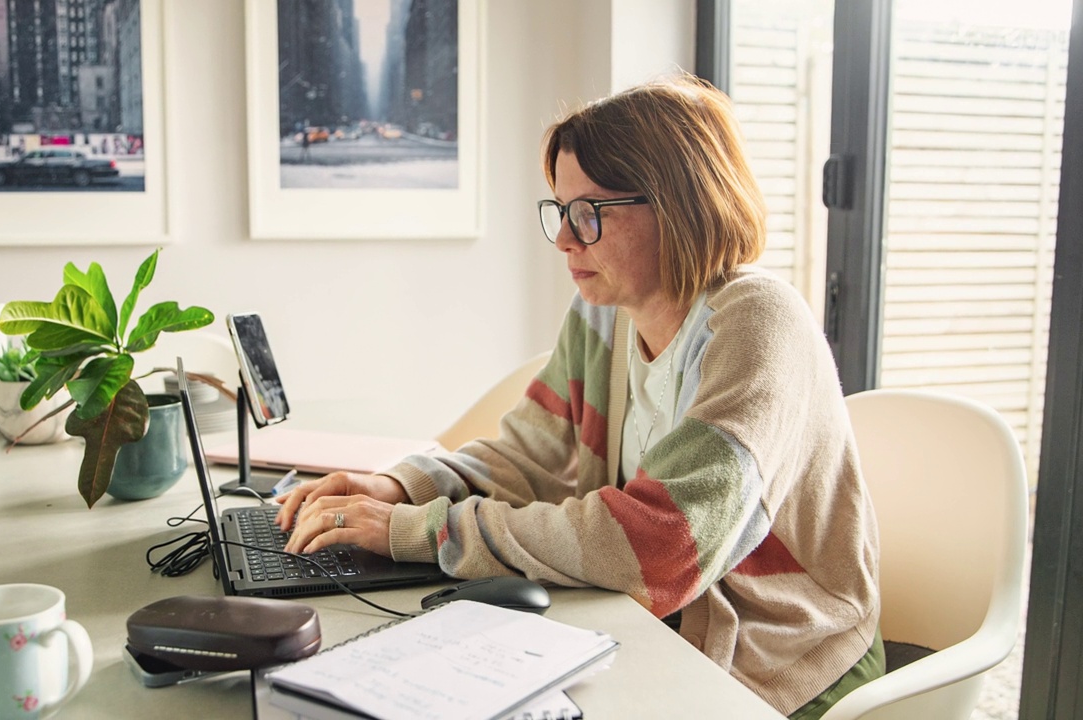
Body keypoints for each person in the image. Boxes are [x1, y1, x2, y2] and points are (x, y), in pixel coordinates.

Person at [276, 74, 882, 718]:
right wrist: (399, 490)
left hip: (783, 651)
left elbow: (660, 546)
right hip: (653, 622)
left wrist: (418, 533)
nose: (566, 239)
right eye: (560, 211)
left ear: (681, 204)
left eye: (591, 213)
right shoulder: (603, 313)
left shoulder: (759, 323)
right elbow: (528, 457)